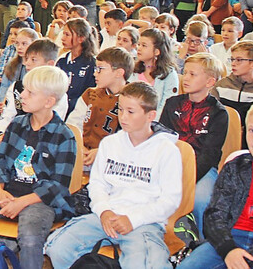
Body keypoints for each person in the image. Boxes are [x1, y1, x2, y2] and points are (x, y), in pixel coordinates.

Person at [45, 82, 182, 269]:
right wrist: (104, 210)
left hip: (144, 222)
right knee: (58, 248)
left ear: (150, 115)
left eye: (131, 112)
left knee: (146, 265)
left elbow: (169, 200)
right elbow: (97, 184)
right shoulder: (110, 143)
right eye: (121, 110)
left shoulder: (167, 150)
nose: (123, 117)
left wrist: (132, 219)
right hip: (106, 217)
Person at [0, 66, 74, 269]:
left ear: (49, 102)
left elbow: (58, 186)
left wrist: (21, 203)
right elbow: (0, 163)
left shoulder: (64, 136)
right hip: (6, 193)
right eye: (23, 90)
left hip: (39, 200)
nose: (22, 95)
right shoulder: (17, 124)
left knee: (31, 239)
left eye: (30, 93)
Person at [177, 100, 253, 269]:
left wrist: (248, 257)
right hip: (230, 239)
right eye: (251, 130)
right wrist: (229, 250)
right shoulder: (234, 167)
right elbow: (214, 215)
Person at [160, 53, 228, 239]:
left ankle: (202, 240)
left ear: (209, 82)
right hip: (170, 164)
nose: (186, 78)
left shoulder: (218, 113)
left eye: (193, 74)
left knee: (200, 200)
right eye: (185, 72)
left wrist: (187, 178)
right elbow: (161, 139)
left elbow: (210, 154)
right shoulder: (172, 103)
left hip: (202, 169)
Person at [67, 47, 134, 167]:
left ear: (119, 73)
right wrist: (80, 146)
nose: (95, 73)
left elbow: (131, 138)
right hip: (82, 155)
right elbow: (73, 124)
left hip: (113, 161)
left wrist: (102, 151)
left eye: (100, 69)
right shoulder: (90, 94)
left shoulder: (132, 101)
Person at [211, 40, 253, 138]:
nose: (233, 64)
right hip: (221, 133)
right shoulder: (222, 85)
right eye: (232, 59)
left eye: (239, 60)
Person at [57, 18, 98, 115]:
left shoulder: (92, 64)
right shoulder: (62, 61)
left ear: (81, 38)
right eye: (63, 34)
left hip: (80, 113)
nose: (63, 38)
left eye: (67, 35)